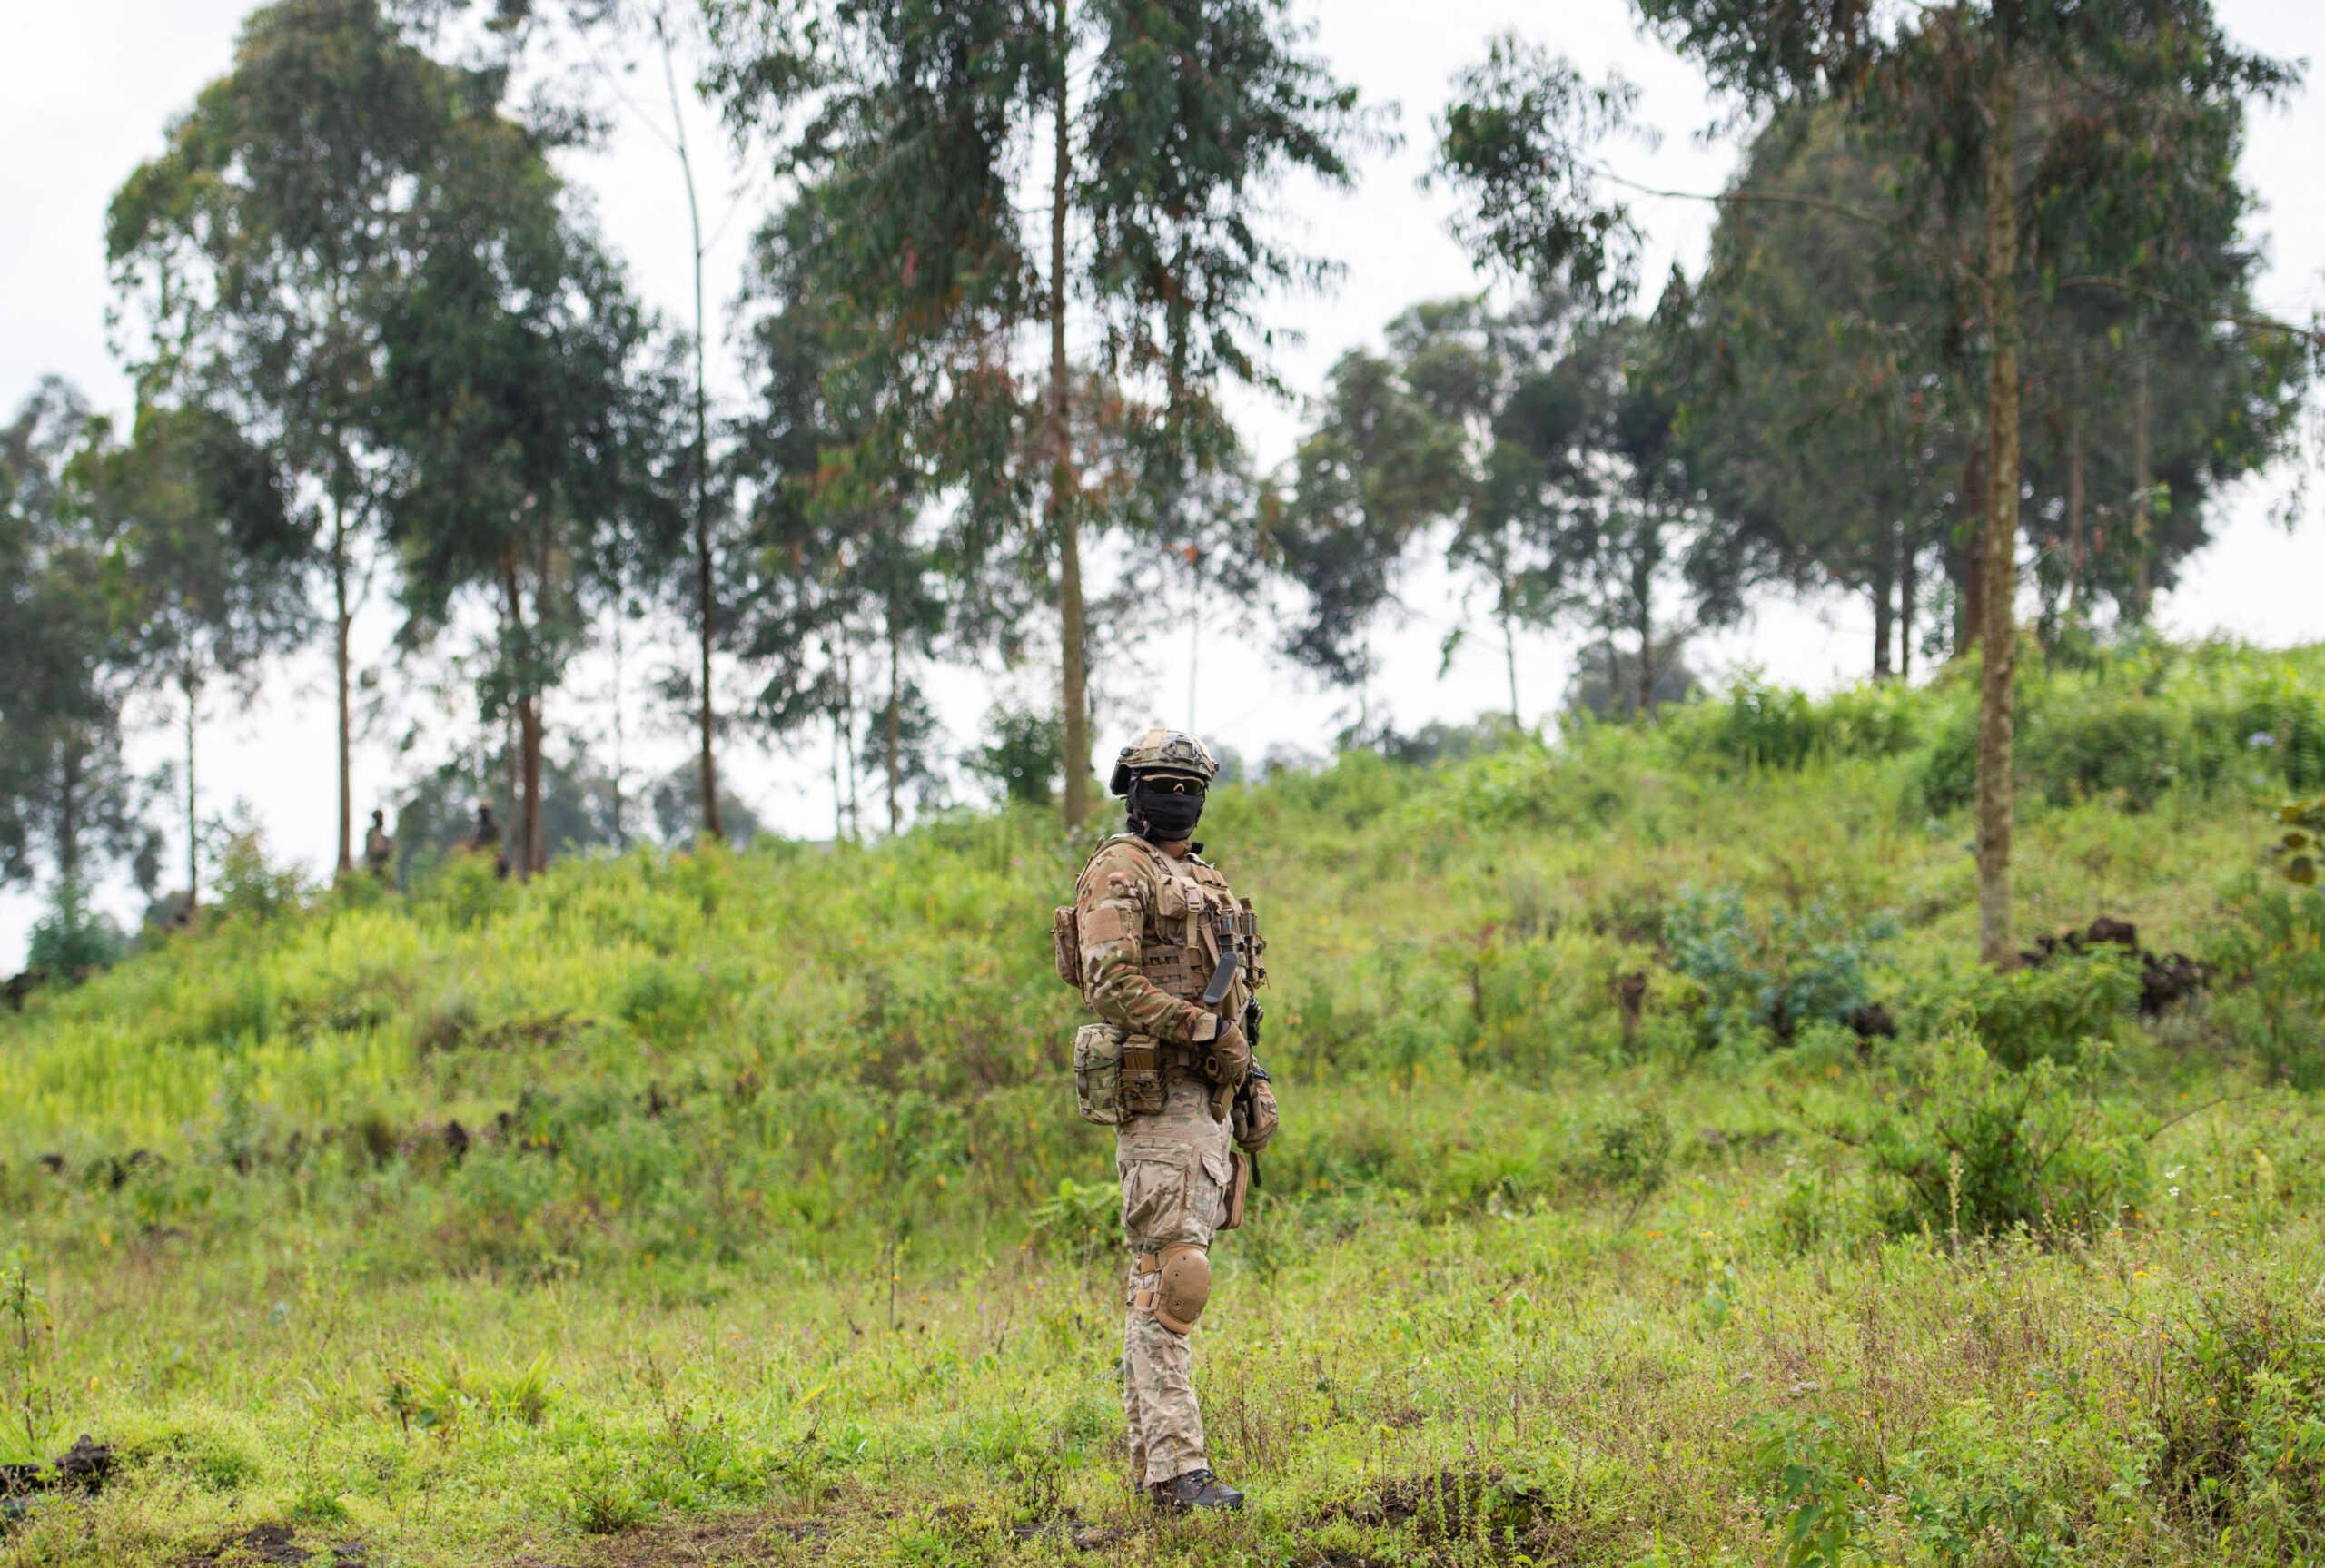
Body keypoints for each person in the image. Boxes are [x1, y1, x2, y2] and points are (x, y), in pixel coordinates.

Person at [1069, 727, 1280, 1514]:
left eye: (1189, 787)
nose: (1176, 799)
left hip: (1212, 1098)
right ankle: (1179, 1472)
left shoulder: (1206, 878)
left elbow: (1238, 996)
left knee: (1159, 1279)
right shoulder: (1118, 871)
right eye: (1160, 784)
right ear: (1132, 789)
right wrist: (1205, 1034)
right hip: (1160, 1097)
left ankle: (1157, 1470)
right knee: (1176, 1278)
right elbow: (1110, 981)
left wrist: (1249, 1070)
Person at [469, 804, 510, 881]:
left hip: (492, 851)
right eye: (482, 812)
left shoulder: (495, 826)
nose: (484, 814)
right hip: (479, 853)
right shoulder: (477, 828)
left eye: (485, 812)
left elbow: (497, 840)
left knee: (503, 864)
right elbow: (474, 843)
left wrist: (490, 849)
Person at [363, 809, 394, 882]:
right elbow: (373, 851)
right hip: (374, 865)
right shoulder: (372, 834)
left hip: (384, 865)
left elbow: (389, 851)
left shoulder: (384, 835)